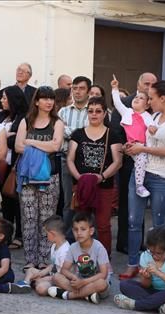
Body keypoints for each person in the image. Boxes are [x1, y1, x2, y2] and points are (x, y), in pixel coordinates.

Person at [119, 80, 165, 279]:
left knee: (159, 225)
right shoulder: (153, 116)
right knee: (133, 221)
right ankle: (133, 263)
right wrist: (131, 147)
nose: (149, 101)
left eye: (152, 97)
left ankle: (161, 268)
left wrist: (142, 149)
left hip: (162, 178)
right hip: (141, 173)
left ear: (163, 98)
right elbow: (141, 138)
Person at [15, 86, 65, 271]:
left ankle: (44, 259)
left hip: (49, 176)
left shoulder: (57, 122)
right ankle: (30, 260)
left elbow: (55, 146)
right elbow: (18, 147)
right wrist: (40, 145)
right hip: (27, 177)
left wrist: (30, 142)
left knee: (46, 218)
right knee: (28, 218)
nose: (48, 102)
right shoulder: (26, 121)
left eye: (51, 98)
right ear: (36, 101)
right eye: (44, 98)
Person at [66, 96, 122, 255]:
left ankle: (104, 259)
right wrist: (79, 178)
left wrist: (101, 177)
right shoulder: (78, 134)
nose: (94, 114)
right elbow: (70, 159)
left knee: (103, 224)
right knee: (81, 224)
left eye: (98, 111)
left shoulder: (113, 135)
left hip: (104, 186)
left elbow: (117, 162)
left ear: (105, 113)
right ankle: (81, 257)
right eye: (90, 111)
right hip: (82, 186)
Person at [110, 72, 157, 254]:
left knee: (144, 203)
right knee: (127, 202)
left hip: (153, 159)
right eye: (146, 83)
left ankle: (140, 242)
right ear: (138, 84)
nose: (149, 86)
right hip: (130, 159)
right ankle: (125, 242)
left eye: (153, 83)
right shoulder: (128, 103)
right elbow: (115, 129)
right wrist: (125, 147)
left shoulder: (156, 105)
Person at [114, 227, 165, 314]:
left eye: (159, 253)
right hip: (152, 291)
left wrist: (159, 273)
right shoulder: (145, 256)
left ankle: (136, 305)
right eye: (152, 252)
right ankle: (160, 306)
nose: (155, 256)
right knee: (124, 284)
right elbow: (146, 285)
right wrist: (146, 277)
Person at [48, 212, 109, 304]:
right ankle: (86, 295)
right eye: (76, 230)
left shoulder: (99, 247)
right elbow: (64, 270)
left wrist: (83, 282)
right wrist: (73, 277)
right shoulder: (73, 247)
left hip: (95, 284)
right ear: (72, 231)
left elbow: (103, 274)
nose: (79, 233)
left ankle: (68, 295)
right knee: (56, 277)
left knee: (101, 283)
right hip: (79, 283)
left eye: (83, 229)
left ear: (91, 231)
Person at [58, 76, 92, 241]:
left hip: (87, 163)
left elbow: (89, 134)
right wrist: (79, 131)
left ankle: (84, 238)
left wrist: (69, 130)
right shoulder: (63, 111)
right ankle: (67, 239)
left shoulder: (93, 110)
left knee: (84, 202)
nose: (77, 92)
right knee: (67, 202)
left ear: (88, 91)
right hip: (65, 160)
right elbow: (57, 132)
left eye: (81, 88)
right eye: (75, 88)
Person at [111, 75, 153, 197]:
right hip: (129, 147)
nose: (137, 99)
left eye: (141, 98)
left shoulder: (147, 115)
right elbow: (117, 103)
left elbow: (152, 125)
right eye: (136, 97)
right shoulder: (127, 112)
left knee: (142, 162)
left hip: (143, 147)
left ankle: (139, 185)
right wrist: (115, 88)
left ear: (146, 105)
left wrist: (152, 128)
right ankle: (139, 186)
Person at [0, 85, 29, 249]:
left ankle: (20, 236)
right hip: (1, 165)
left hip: (17, 165)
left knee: (17, 200)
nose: (2, 101)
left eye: (5, 98)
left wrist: (4, 137)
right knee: (6, 202)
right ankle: (6, 233)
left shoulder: (24, 118)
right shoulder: (2, 116)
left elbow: (17, 141)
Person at [12, 215, 71, 296]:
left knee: (41, 288)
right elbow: (53, 265)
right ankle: (25, 284)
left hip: (60, 279)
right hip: (52, 274)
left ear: (53, 234)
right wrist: (42, 273)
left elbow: (62, 274)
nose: (46, 236)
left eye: (47, 234)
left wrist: (44, 278)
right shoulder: (54, 245)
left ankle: (56, 290)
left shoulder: (65, 251)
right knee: (30, 270)